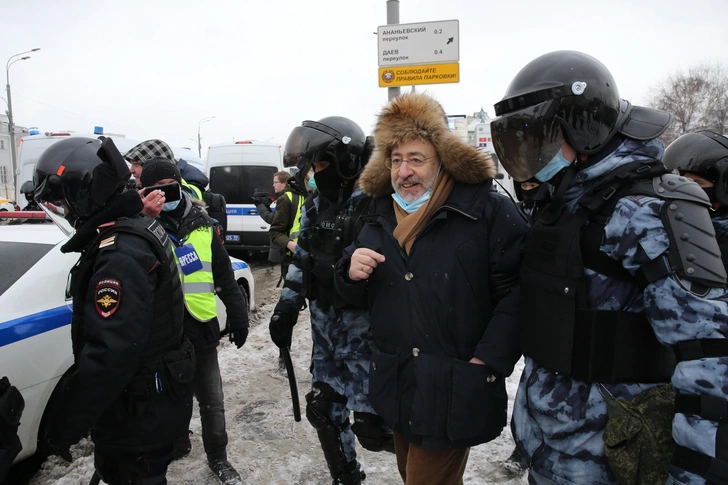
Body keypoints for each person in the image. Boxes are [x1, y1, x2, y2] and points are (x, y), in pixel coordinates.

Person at [490, 50, 728, 485]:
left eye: (536, 141)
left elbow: (711, 357)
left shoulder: (647, 210)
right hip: (555, 452)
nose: (527, 161)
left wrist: (695, 475)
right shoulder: (561, 204)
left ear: (584, 129)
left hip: (615, 460)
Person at [330, 93, 527, 485]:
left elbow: (521, 293)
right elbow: (354, 295)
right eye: (396, 160)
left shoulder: (486, 210)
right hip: (400, 382)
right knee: (411, 475)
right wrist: (348, 272)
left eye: (417, 159)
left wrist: (486, 361)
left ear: (442, 159)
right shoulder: (377, 213)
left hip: (454, 385)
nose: (405, 171)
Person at [34, 136, 194, 485]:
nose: (65, 212)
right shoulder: (133, 227)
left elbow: (111, 354)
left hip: (138, 414)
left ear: (83, 195)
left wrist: (65, 425)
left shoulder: (120, 252)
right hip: (146, 406)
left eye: (62, 203)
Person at [268, 117, 391, 485]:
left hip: (368, 339)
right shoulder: (316, 203)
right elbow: (302, 255)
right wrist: (286, 306)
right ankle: (346, 476)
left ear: (346, 160)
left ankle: (429, 468)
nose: (315, 173)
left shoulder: (378, 201)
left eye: (322, 164)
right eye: (313, 166)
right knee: (322, 408)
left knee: (376, 428)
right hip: (326, 335)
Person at [139, 159, 249, 485]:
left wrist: (239, 315)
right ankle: (176, 442)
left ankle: (219, 457)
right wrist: (145, 218)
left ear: (180, 183)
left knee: (212, 401)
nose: (165, 193)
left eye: (169, 185)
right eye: (156, 188)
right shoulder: (140, 226)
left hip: (201, 326)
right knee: (170, 398)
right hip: (162, 333)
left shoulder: (203, 223)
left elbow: (225, 277)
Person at [662, 130, 728, 273]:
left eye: (697, 183)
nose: (687, 189)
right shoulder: (679, 223)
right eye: (683, 181)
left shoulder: (722, 238)